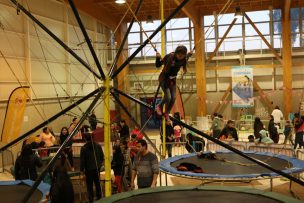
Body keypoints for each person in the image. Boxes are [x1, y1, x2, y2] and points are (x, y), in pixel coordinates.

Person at [155, 46, 192, 120]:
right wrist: (157, 58)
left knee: (173, 97)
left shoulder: (184, 58)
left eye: (182, 56)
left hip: (172, 79)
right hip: (164, 78)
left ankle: (167, 113)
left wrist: (189, 54)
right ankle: (159, 106)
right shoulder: (169, 57)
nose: (180, 57)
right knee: (168, 97)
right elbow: (158, 65)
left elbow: (187, 55)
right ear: (176, 53)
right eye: (179, 55)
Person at [80, 133, 104, 202]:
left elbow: (82, 160)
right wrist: (99, 165)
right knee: (97, 183)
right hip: (97, 168)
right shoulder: (98, 145)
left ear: (85, 139)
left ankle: (91, 200)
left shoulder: (84, 148)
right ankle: (100, 198)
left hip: (88, 170)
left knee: (89, 185)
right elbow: (102, 157)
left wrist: (81, 171)